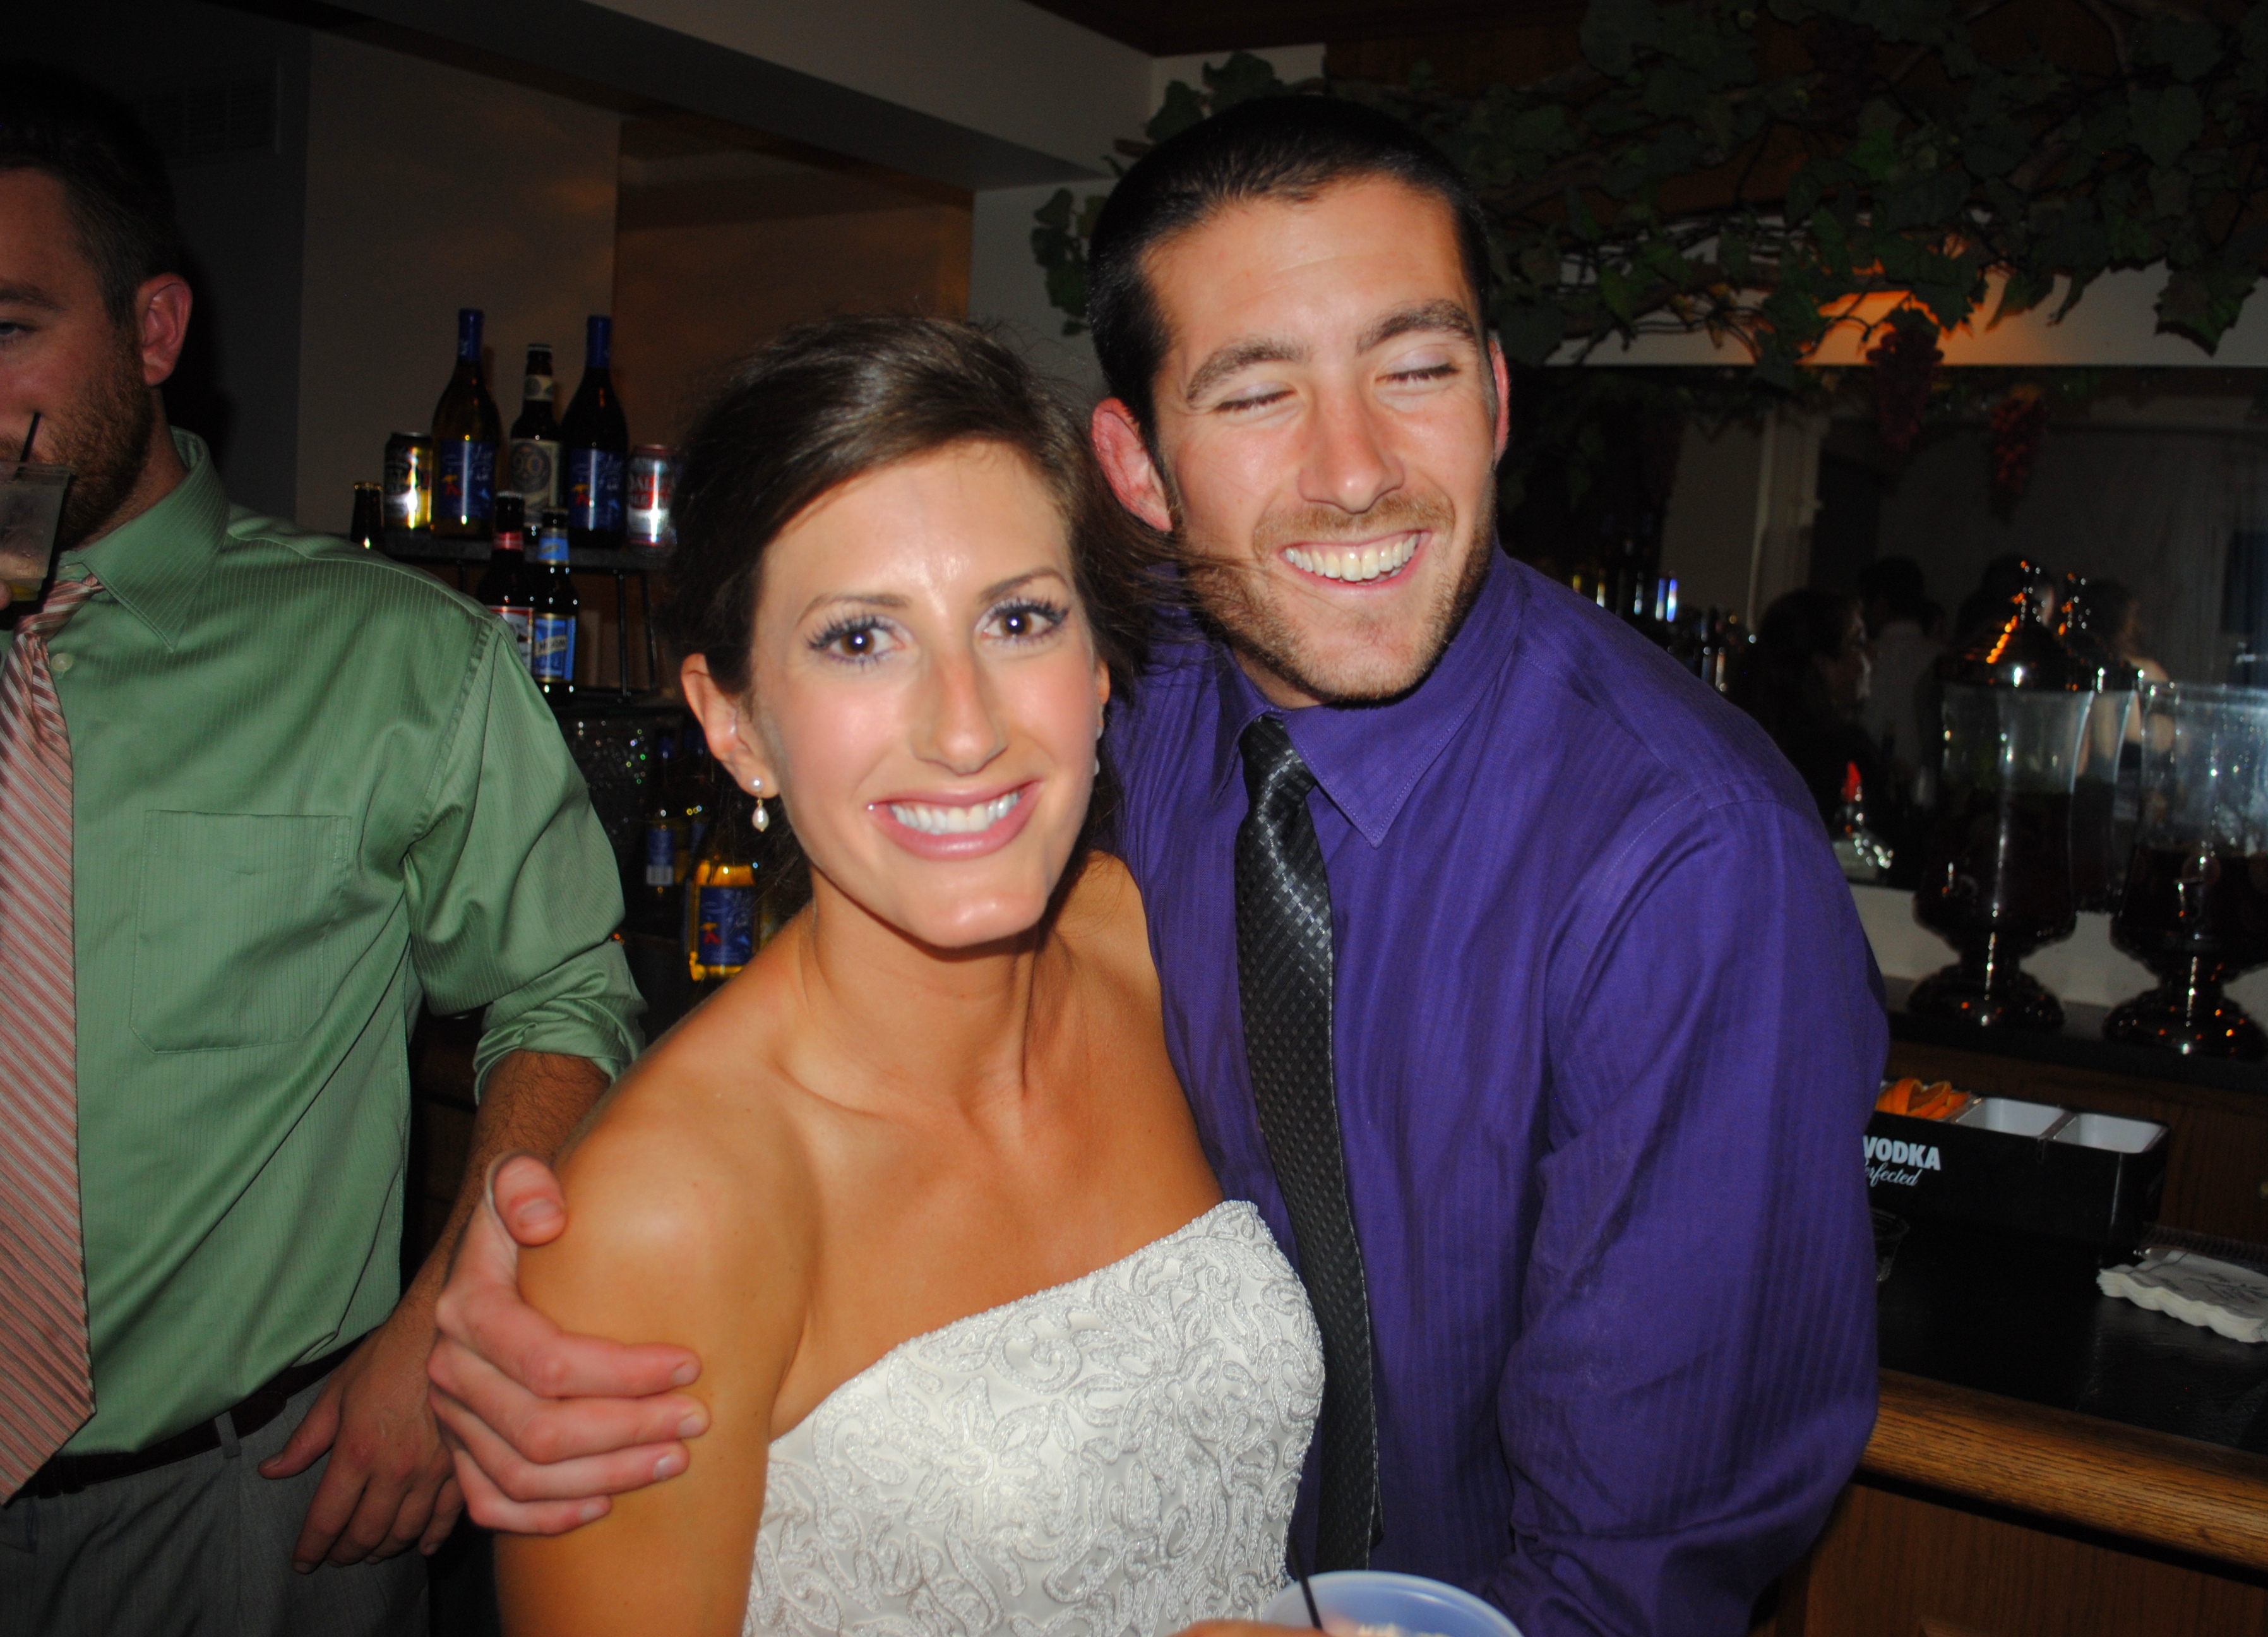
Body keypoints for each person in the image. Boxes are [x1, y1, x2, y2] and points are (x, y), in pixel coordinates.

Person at [430, 95, 1886, 1636]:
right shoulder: (1149, 694)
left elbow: (1635, 1577)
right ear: (1137, 468)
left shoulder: (1686, 858)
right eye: (1255, 395)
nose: (1354, 471)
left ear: (1497, 393)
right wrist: (531, 1254)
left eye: (1415, 369)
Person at [491, 317, 1322, 1636]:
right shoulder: (668, 1214)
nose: (965, 726)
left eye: (1018, 619)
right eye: (859, 640)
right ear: (733, 723)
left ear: (1098, 669)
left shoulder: (1145, 944)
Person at [0, 66, 641, 1634]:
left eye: (7, 328)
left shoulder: (393, 656)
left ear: (153, 331)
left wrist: (452, 1327)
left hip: (233, 1509)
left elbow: (566, 995)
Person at [1732, 587, 1895, 838]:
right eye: (1858, 645)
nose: (1874, 654)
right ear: (1821, 664)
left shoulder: (1740, 736)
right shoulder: (1839, 758)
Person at [1856, 555, 1942, 781]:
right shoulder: (1942, 660)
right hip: (1927, 789)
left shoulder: (1861, 660)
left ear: (1880, 604)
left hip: (1868, 782)